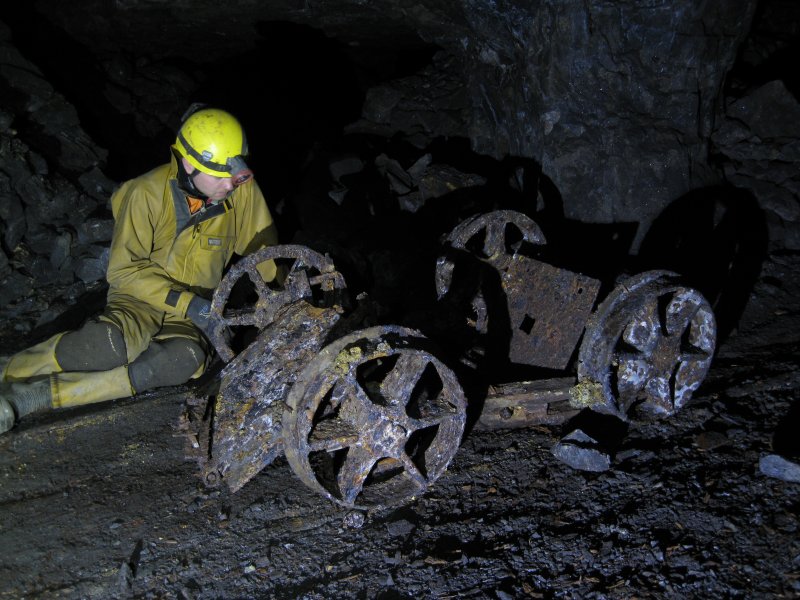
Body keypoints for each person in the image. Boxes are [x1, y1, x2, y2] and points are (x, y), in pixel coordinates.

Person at [0, 106, 278, 434]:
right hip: (140, 298)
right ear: (189, 164)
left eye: (233, 172)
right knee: (109, 345)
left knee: (182, 360)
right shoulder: (145, 194)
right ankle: (10, 370)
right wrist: (187, 302)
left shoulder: (241, 194)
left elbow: (265, 253)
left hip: (194, 314)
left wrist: (281, 297)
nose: (229, 184)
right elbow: (123, 273)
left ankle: (32, 398)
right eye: (219, 175)